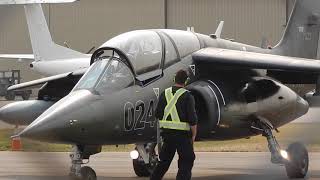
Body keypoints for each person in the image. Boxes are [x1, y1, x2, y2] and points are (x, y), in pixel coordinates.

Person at [150, 69, 198, 180]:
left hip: (167, 135)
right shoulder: (187, 96)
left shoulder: (164, 94)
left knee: (163, 162)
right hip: (182, 136)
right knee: (187, 160)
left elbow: (158, 114)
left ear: (174, 79)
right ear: (186, 81)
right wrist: (193, 135)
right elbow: (192, 118)